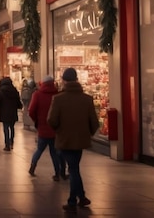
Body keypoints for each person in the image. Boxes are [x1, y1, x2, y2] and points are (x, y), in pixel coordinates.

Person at [47, 68, 99, 213]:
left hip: (65, 139)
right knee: (74, 167)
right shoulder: (87, 99)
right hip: (81, 140)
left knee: (73, 169)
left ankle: (72, 201)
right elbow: (94, 123)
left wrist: (59, 131)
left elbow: (51, 120)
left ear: (64, 80)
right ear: (76, 80)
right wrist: (86, 133)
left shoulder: (58, 99)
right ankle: (81, 197)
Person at [28, 75, 61, 179]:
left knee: (39, 149)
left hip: (42, 127)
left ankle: (33, 166)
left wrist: (36, 121)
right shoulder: (58, 95)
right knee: (54, 152)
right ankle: (57, 173)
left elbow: (31, 110)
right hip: (55, 128)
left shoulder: (37, 94)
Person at [0, 76, 23, 151]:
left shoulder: (1, 91)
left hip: (4, 112)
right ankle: (11, 142)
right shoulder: (14, 90)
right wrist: (20, 106)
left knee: (6, 128)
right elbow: (18, 101)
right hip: (13, 112)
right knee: (12, 127)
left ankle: (7, 144)